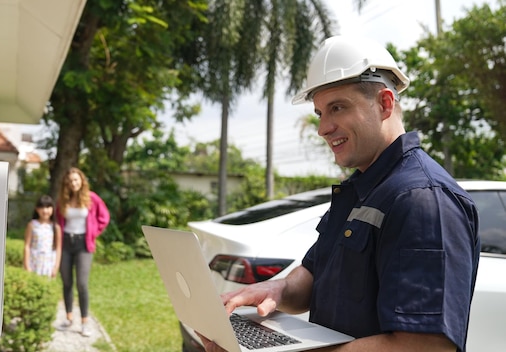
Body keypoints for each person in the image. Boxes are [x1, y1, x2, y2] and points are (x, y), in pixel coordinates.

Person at [199, 35, 479, 352]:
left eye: (338, 108)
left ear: (385, 103)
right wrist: (278, 288)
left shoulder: (423, 199)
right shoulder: (361, 189)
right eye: (321, 113)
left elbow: (424, 346)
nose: (323, 128)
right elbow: (314, 273)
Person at [55, 167, 110, 337]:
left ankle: (85, 321)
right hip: (66, 243)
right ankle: (69, 318)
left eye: (76, 180)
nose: (73, 183)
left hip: (83, 244)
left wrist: (94, 233)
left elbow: (104, 217)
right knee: (66, 282)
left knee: (82, 283)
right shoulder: (63, 200)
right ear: (67, 183)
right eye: (70, 181)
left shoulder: (92, 198)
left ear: (82, 181)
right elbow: (58, 221)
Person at [23, 194, 62, 278]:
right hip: (34, 261)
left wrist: (56, 267)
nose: (45, 211)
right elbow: (27, 246)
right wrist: (27, 265)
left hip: (49, 262)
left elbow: (58, 248)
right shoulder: (32, 225)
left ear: (52, 209)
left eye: (48, 207)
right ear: (37, 209)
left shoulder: (56, 227)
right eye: (42, 207)